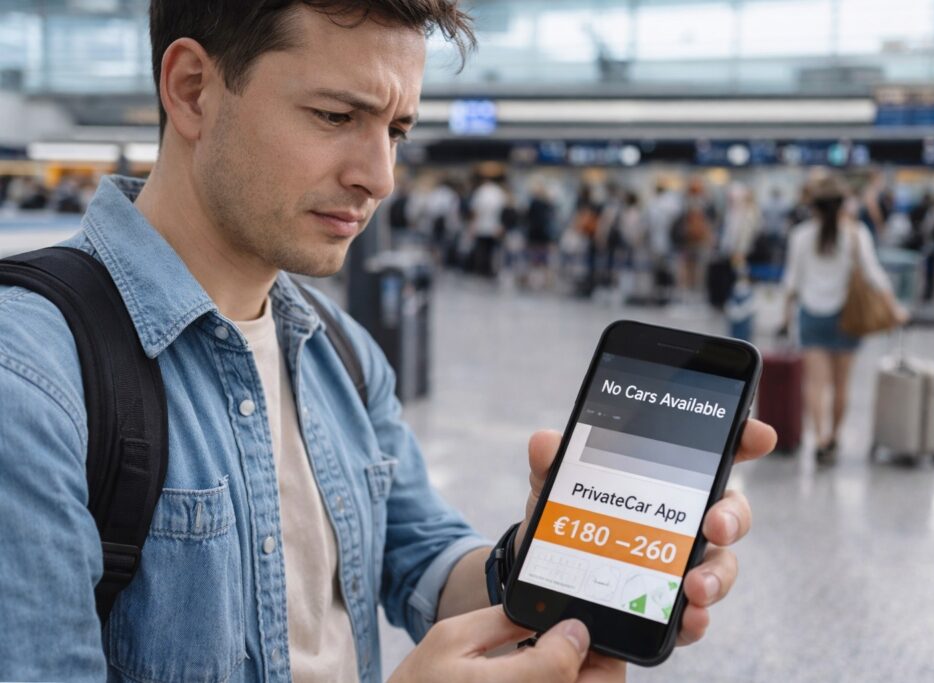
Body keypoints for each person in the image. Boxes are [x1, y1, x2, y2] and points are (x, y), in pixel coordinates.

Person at [0, 2, 777, 682]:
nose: (381, 176)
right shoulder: (32, 377)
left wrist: (541, 558)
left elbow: (426, 559)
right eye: (337, 116)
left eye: (397, 129)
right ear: (193, 89)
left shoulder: (338, 349)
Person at [782, 174, 903, 465]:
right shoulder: (856, 233)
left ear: (814, 206)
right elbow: (874, 276)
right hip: (846, 317)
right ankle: (834, 437)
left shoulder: (800, 235)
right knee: (841, 384)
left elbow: (791, 283)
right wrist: (895, 309)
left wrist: (785, 318)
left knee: (815, 384)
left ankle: (819, 438)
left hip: (811, 315)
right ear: (842, 205)